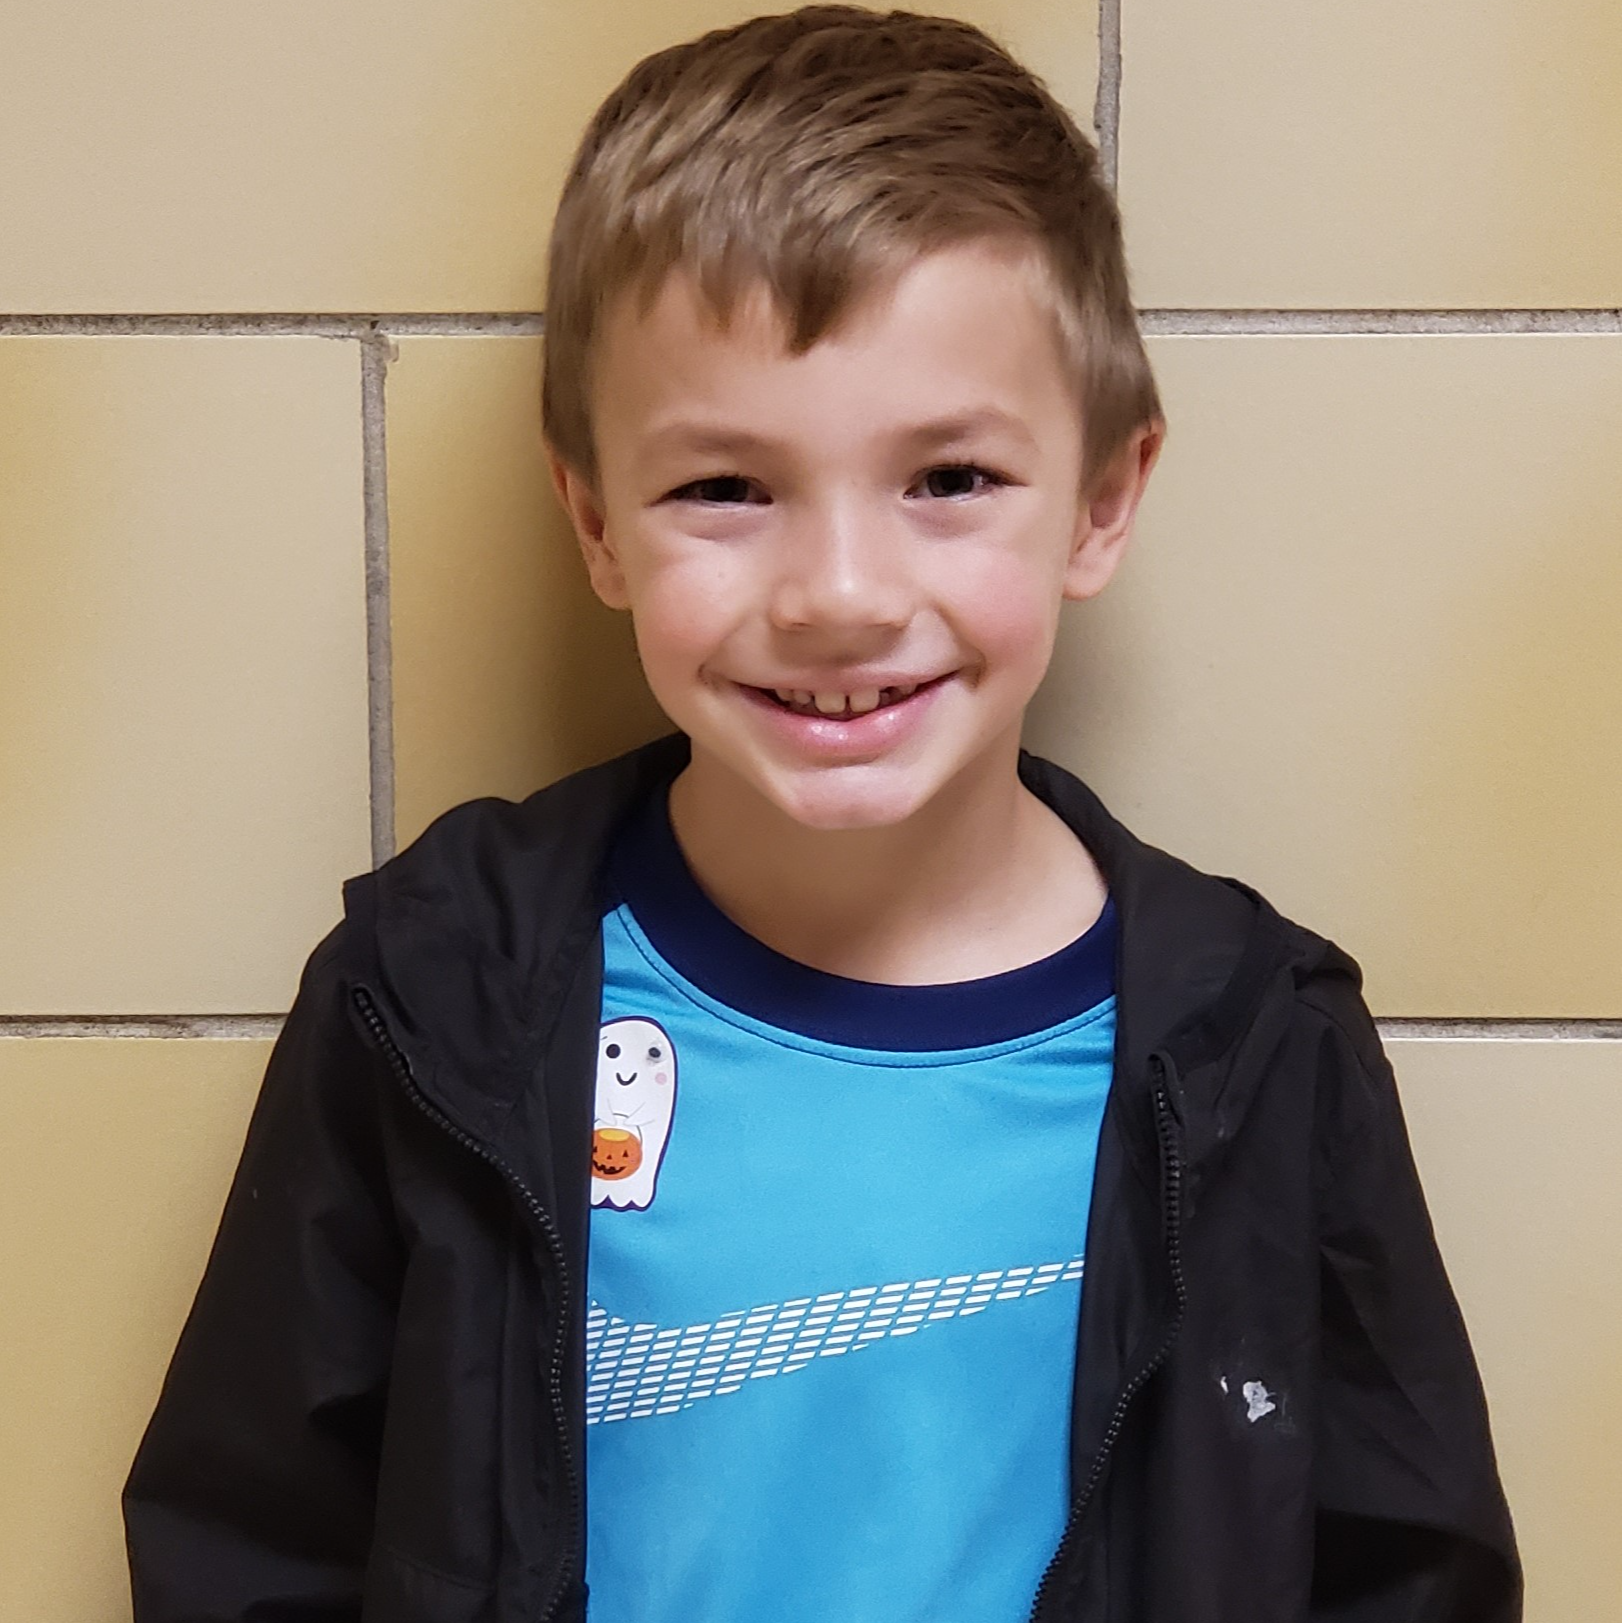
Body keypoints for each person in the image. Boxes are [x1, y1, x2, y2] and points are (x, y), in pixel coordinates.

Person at [123, 8, 1521, 1620]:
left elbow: (1406, 1570)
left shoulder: (1256, 1045)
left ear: (1104, 495)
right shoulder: (436, 990)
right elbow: (247, 1543)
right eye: (724, 487)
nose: (840, 597)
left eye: (947, 479)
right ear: (594, 521)